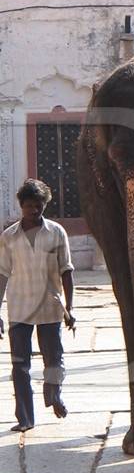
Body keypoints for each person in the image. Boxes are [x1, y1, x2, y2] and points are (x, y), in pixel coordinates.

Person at [0, 179, 75, 432]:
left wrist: (70, 308)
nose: (34, 210)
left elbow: (67, 271)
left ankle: (53, 394)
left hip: (50, 308)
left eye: (39, 205)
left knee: (54, 361)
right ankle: (25, 418)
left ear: (45, 205)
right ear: (21, 206)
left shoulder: (56, 232)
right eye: (30, 205)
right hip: (19, 310)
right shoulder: (8, 237)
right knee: (20, 366)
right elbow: (2, 275)